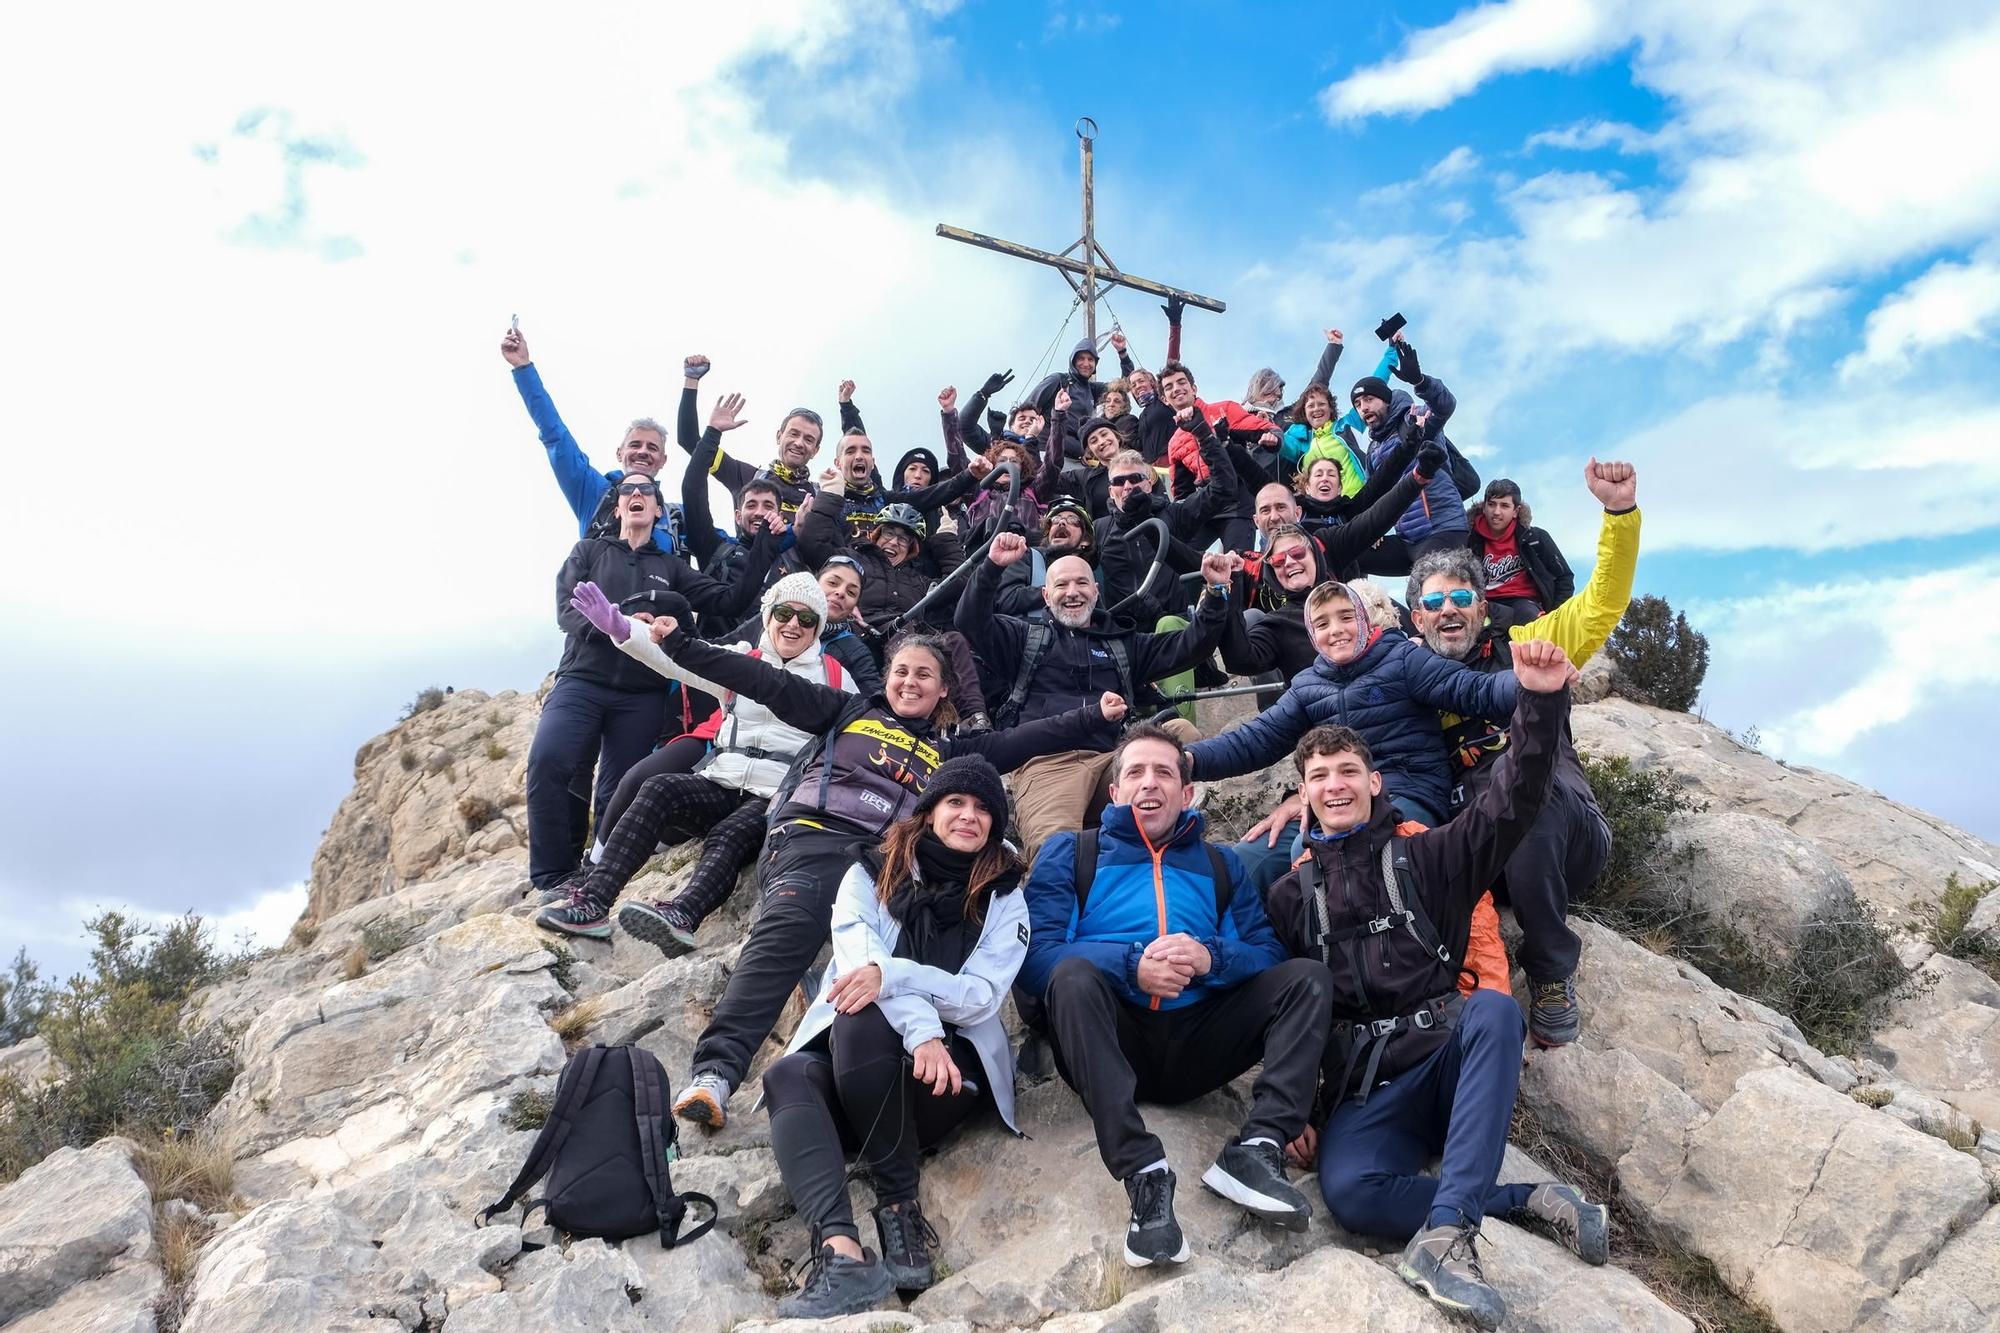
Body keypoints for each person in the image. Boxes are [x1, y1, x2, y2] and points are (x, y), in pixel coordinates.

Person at [650, 626, 1125, 1131]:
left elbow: (1023, 739)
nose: (910, 682)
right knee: (791, 924)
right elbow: (765, 682)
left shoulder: (952, 750)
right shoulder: (849, 710)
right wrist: (682, 645)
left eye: (925, 675)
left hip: (891, 861)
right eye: (901, 671)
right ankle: (716, 1073)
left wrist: (1093, 715)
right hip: (817, 836)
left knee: (920, 933)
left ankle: (859, 1047)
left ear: (944, 689)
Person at [1267, 643, 1610, 1331]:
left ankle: (1448, 1236)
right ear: (1302, 794)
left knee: (1491, 1010)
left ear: (1375, 782)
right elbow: (1290, 1006)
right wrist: (1295, 1104)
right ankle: (1525, 1198)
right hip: (1369, 1086)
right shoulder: (1287, 895)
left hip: (1447, 1058)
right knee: (1351, 1193)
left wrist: (1540, 703)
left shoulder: (1429, 855)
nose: (1334, 785)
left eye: (1347, 771)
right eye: (1319, 775)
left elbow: (1512, 805)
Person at [1015, 725, 1332, 1264]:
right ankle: (1143, 1173)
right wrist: (1132, 967)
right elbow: (1035, 958)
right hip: (1112, 1038)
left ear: (1187, 794)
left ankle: (1257, 1149)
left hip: (1198, 1042)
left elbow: (1268, 957)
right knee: (1070, 975)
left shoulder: (1221, 864)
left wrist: (1211, 958)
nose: (1149, 783)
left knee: (1308, 978)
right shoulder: (1072, 853)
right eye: (1134, 771)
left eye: (1164, 772)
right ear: (1113, 792)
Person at [761, 758, 1029, 1317]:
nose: (969, 816)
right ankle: (842, 1256)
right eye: (957, 802)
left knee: (865, 1009)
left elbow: (980, 995)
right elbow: (860, 962)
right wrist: (922, 1024)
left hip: (945, 1077)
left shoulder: (1006, 896)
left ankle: (898, 1202)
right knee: (790, 1071)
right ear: (930, 811)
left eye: (983, 809)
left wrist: (902, 985)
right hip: (866, 1064)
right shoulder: (869, 870)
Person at [1411, 459, 1641, 1047]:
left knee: (1521, 792)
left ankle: (1550, 967)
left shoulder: (1528, 646)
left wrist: (1619, 515)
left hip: (1566, 837)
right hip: (1482, 851)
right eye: (1435, 603)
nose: (1450, 610)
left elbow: (1601, 605)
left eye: (1462, 596)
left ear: (1483, 607)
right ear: (1417, 618)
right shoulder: (1409, 678)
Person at [540, 573, 861, 950]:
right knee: (659, 788)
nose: (793, 624)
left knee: (731, 834)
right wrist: (622, 628)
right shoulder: (743, 658)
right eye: (785, 613)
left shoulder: (839, 678)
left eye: (806, 619)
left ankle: (683, 915)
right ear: (768, 615)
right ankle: (593, 902)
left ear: (818, 628)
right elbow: (678, 658)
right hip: (723, 778)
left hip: (777, 795)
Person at [525, 477, 773, 893]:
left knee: (617, 787)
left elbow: (731, 600)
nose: (636, 495)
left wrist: (766, 543)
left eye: (647, 493)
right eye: (628, 491)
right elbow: (567, 612)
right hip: (581, 679)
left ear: (659, 510)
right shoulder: (590, 551)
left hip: (641, 693)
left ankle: (595, 871)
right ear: (618, 508)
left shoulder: (672, 567)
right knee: (548, 761)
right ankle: (553, 875)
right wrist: (617, 624)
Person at [957, 532, 1233, 858]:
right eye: (1061, 586)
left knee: (1180, 733)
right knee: (1055, 856)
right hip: (1047, 763)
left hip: (1114, 760)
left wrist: (1215, 592)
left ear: (1096, 591)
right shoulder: (1023, 638)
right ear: (1046, 595)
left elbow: (1190, 646)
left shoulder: (1121, 641)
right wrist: (992, 566)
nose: (1072, 593)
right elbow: (969, 621)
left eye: (1081, 584)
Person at [1185, 581, 1518, 828]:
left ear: (1364, 620)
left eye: (1346, 617)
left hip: (1406, 793)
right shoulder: (1307, 686)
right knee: (1256, 859)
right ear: (1312, 635)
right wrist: (1188, 762)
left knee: (1364, 842)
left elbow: (1476, 689)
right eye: (1323, 623)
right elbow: (1255, 740)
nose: (1337, 630)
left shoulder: (1403, 659)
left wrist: (1529, 681)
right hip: (1334, 797)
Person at [501, 325, 688, 553]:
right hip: (600, 587)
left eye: (652, 448)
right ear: (619, 453)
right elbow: (555, 436)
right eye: (635, 444)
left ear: (663, 460)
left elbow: (727, 543)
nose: (643, 452)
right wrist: (523, 368)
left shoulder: (676, 517)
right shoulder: (595, 493)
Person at [674, 354, 848, 520]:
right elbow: (689, 441)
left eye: (809, 439)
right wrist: (691, 380)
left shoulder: (820, 494)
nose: (799, 442)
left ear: (816, 451)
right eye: (793, 434)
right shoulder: (747, 477)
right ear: (779, 436)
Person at [1349, 332, 1468, 563]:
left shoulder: (1414, 419)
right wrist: (1371, 530)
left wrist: (1420, 382)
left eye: (1369, 400)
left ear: (1386, 400)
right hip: (1408, 537)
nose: (1363, 408)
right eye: (1358, 404)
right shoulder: (1373, 449)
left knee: (1425, 589)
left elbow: (1445, 406)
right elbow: (1374, 494)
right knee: (1349, 553)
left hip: (1442, 528)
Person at [828, 431, 983, 541]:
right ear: (838, 463)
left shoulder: (886, 500)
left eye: (866, 451)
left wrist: (970, 475)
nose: (859, 456)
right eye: (850, 451)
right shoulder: (829, 500)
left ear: (873, 463)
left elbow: (938, 492)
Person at [1464, 479, 1573, 623]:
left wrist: (1554, 616)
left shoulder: (1535, 538)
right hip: (1484, 604)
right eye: (1491, 504)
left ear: (1516, 511)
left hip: (1525, 603)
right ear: (1484, 507)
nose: (1496, 512)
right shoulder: (1469, 539)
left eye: (1504, 506)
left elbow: (1564, 578)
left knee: (1529, 623)